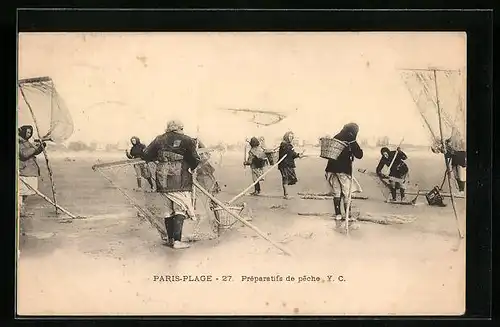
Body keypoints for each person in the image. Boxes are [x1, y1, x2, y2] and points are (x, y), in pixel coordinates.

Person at [142, 120, 201, 249]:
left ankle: (170, 239)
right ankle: (177, 241)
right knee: (180, 207)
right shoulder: (187, 139)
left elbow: (146, 154)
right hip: (180, 179)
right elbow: (195, 159)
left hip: (162, 178)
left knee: (167, 210)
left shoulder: (159, 139)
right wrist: (190, 167)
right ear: (180, 128)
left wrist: (160, 159)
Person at [324, 123, 363, 229]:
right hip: (343, 170)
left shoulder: (336, 136)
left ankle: (338, 214)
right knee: (346, 192)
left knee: (336, 192)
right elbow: (359, 154)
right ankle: (348, 215)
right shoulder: (350, 138)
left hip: (331, 169)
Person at [18, 125, 45, 217]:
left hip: (29, 171)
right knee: (21, 192)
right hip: (23, 171)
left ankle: (20, 209)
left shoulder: (26, 142)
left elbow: (34, 152)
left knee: (26, 192)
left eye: (30, 133)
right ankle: (20, 210)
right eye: (27, 132)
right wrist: (34, 147)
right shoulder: (18, 141)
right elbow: (24, 154)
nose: (29, 134)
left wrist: (41, 147)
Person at [278, 131, 303, 199]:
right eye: (289, 136)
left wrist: (298, 155)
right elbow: (290, 153)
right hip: (284, 165)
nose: (291, 138)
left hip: (288, 164)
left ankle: (286, 194)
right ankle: (286, 195)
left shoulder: (288, 145)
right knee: (285, 178)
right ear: (286, 137)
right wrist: (297, 154)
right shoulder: (284, 144)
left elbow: (291, 155)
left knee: (288, 178)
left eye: (292, 137)